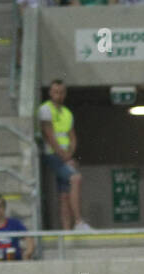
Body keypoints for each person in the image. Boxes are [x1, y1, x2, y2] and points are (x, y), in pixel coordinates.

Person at [37, 79, 89, 232]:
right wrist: (66, 158)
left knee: (64, 195)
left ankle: (66, 231)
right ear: (50, 93)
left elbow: (72, 137)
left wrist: (70, 154)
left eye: (61, 92)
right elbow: (50, 137)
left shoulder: (67, 113)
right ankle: (79, 222)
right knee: (75, 178)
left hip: (65, 156)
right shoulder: (45, 110)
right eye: (55, 92)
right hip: (52, 155)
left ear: (64, 93)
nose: (58, 95)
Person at [0, 195, 32, 262]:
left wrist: (27, 254)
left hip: (15, 263)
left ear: (4, 208)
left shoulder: (15, 224)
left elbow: (29, 238)